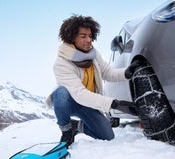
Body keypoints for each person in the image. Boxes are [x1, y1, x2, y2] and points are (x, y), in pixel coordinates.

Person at [46, 15, 136, 147]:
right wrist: (112, 103)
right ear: (71, 38)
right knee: (61, 93)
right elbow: (79, 94)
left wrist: (127, 73)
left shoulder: (93, 54)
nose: (89, 40)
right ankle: (66, 131)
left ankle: (76, 126)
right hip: (71, 102)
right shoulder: (61, 63)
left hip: (88, 103)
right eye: (83, 36)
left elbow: (107, 73)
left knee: (107, 136)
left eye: (90, 36)